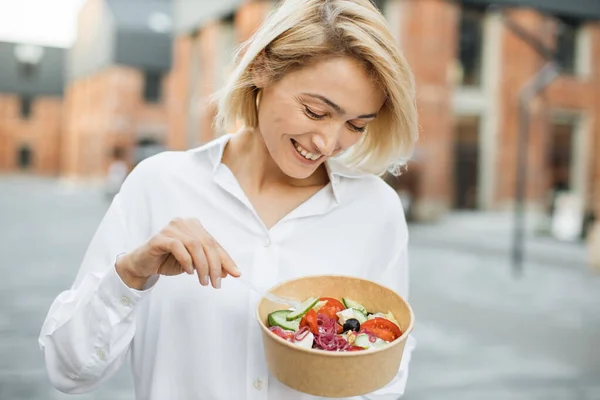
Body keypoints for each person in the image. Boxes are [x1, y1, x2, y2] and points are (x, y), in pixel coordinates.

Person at [39, 0, 418, 398]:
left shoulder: (375, 211)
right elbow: (69, 371)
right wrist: (132, 273)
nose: (328, 142)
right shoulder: (160, 185)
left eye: (356, 125)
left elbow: (384, 375)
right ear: (261, 69)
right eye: (314, 111)